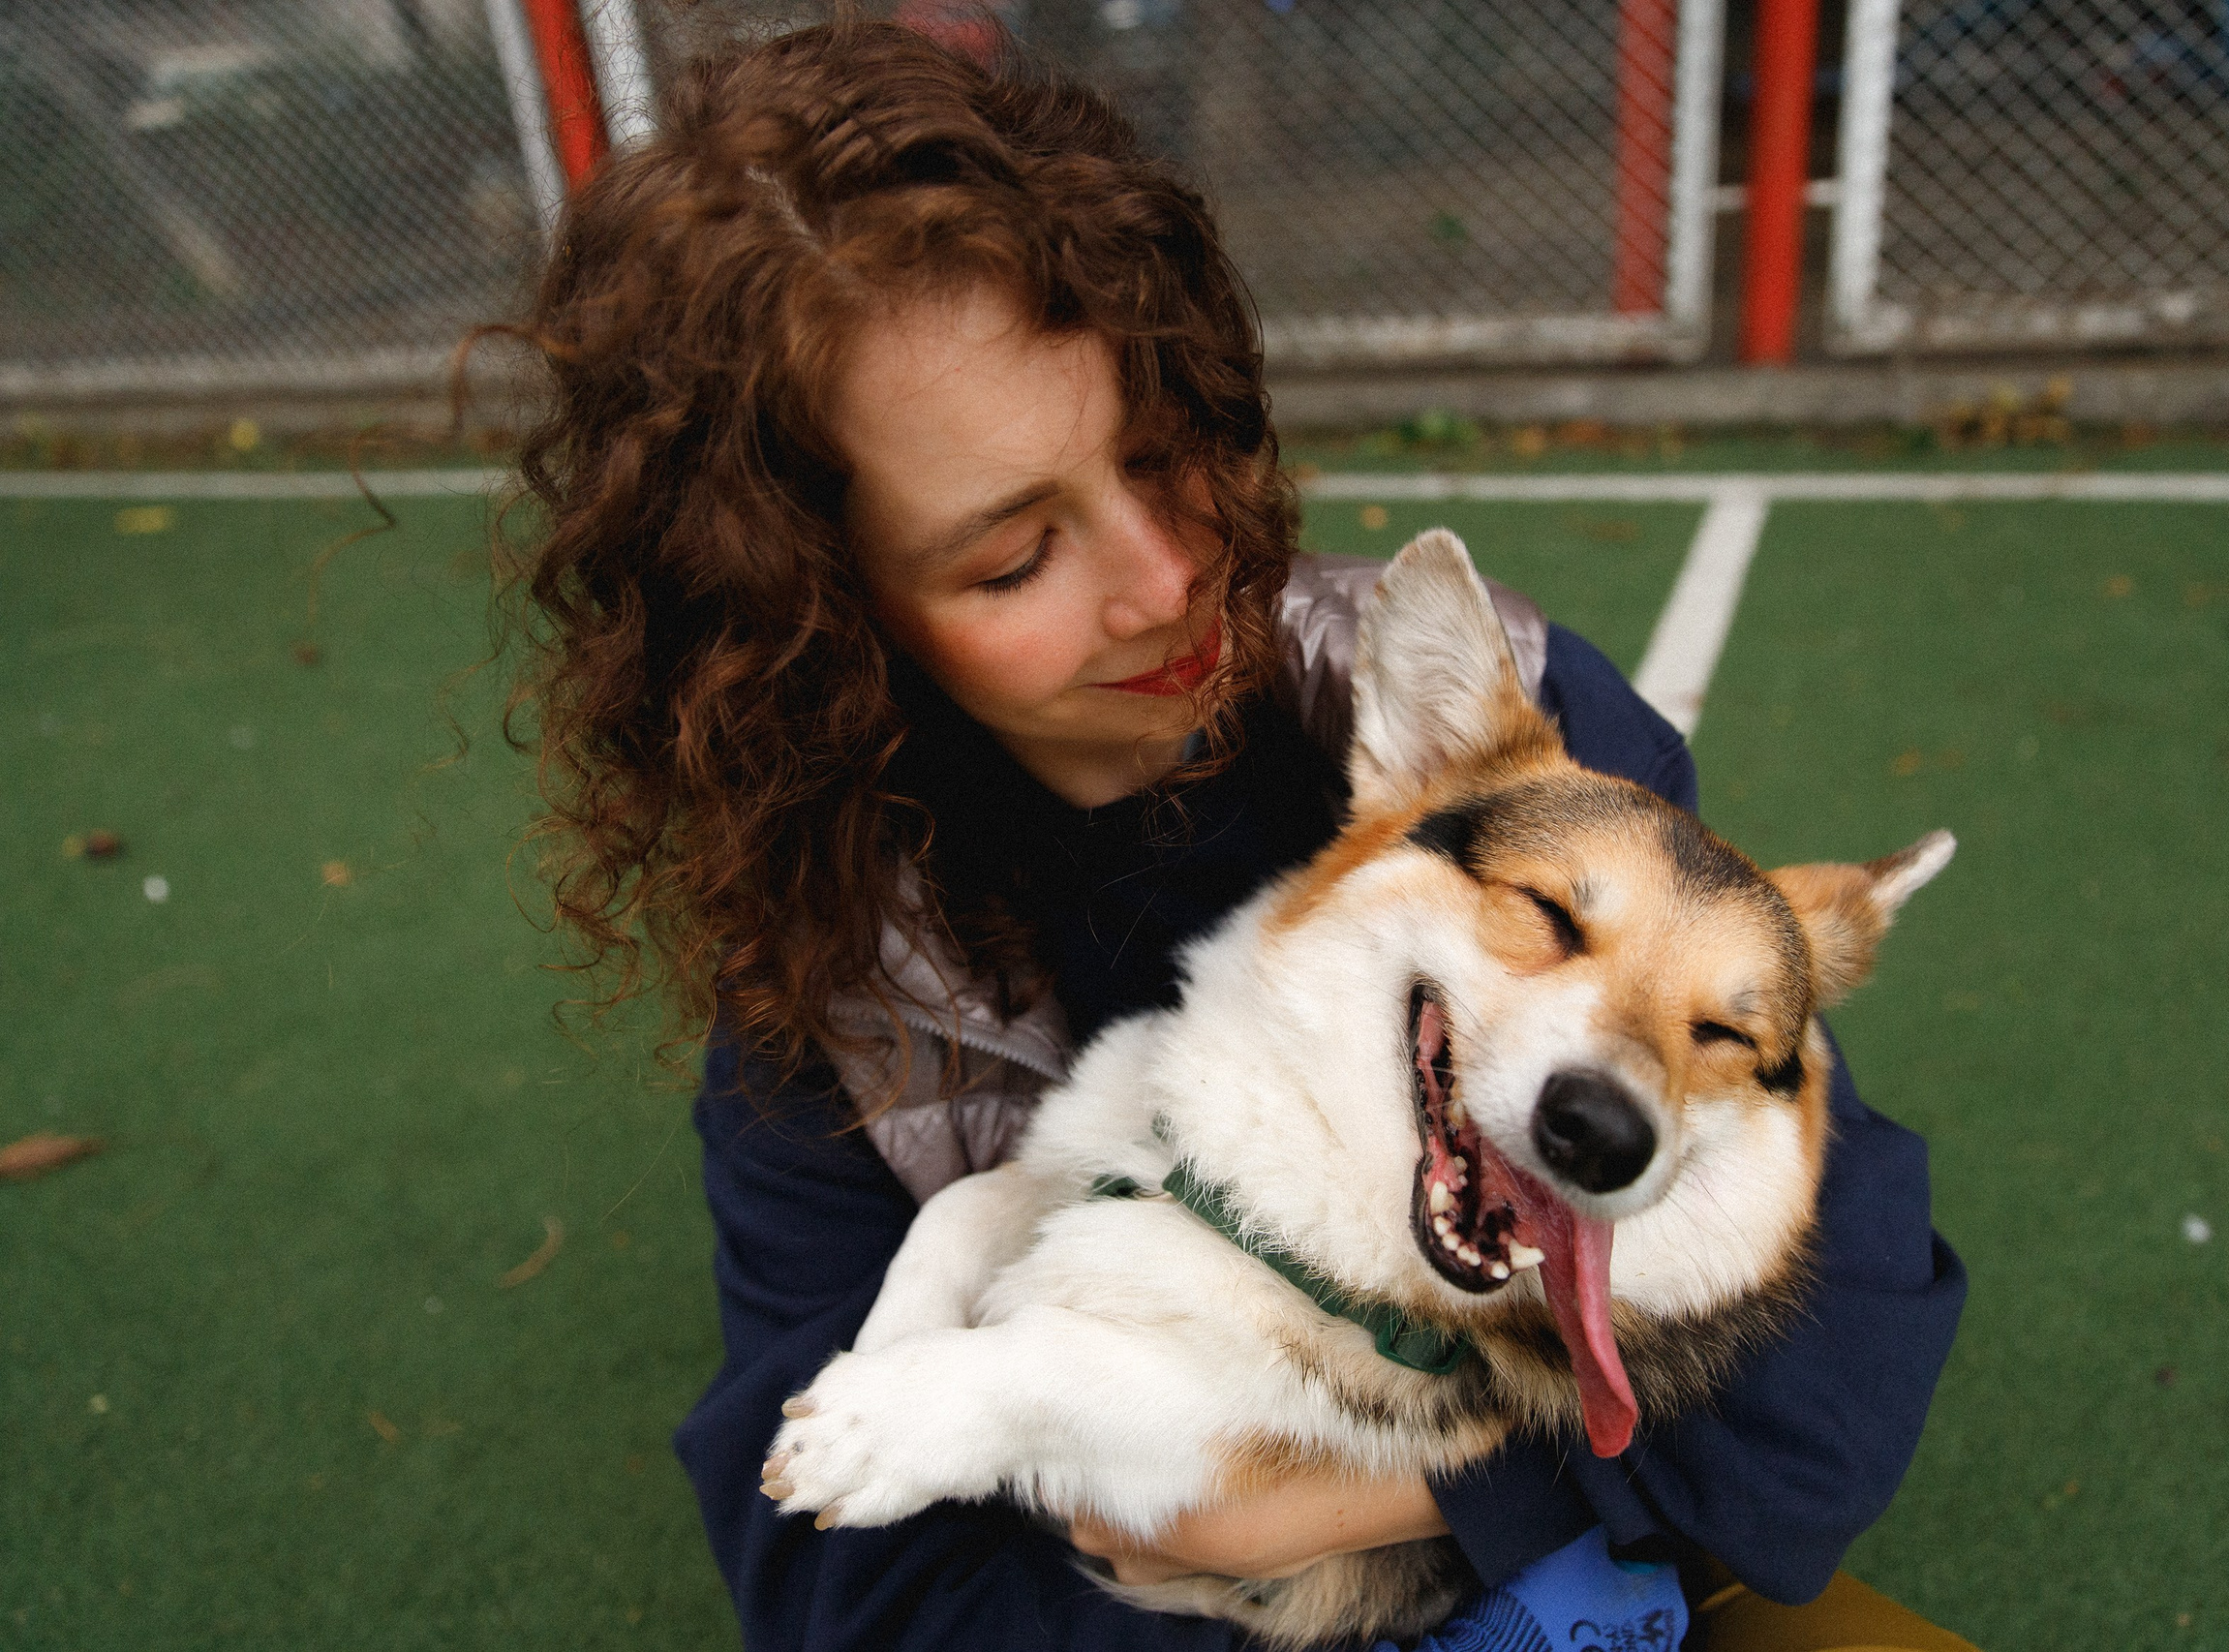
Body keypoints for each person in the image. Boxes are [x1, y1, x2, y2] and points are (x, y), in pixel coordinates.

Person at [496, 16, 1970, 1652]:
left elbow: (1851, 1320)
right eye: (1011, 561)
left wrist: (1407, 1496)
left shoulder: (1527, 751)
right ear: (827, 626)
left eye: (1159, 445)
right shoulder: (831, 997)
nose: (1166, 579)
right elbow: (849, 1584)